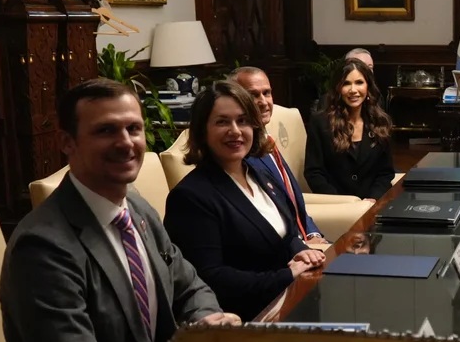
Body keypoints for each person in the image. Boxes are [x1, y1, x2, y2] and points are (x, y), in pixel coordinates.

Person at [0, 79, 239, 342]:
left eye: (133, 128)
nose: (126, 142)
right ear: (67, 142)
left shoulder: (137, 209)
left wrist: (207, 325)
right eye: (106, 130)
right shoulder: (43, 248)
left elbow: (191, 287)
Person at [164, 81, 325, 320]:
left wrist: (301, 252)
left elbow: (286, 233)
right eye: (222, 122)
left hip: (291, 298)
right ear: (202, 131)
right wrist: (286, 275)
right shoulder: (190, 196)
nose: (236, 131)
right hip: (246, 318)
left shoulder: (258, 172)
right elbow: (210, 277)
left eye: (243, 120)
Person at [231, 66, 329, 245]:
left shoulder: (266, 140)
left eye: (266, 93)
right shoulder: (240, 156)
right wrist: (302, 247)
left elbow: (293, 202)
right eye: (253, 95)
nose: (263, 102)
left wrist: (313, 234)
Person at [305, 58, 396, 201]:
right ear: (338, 88)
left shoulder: (380, 122)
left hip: (372, 204)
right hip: (336, 205)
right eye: (346, 83)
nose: (353, 90)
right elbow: (314, 173)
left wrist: (373, 199)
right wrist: (342, 203)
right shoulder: (320, 122)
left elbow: (385, 173)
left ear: (368, 86)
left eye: (359, 82)